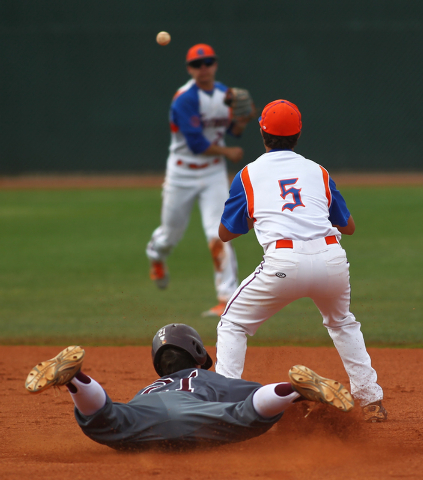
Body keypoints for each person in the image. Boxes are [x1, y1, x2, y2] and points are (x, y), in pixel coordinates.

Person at [215, 99, 387, 423]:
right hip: (331, 259)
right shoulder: (317, 171)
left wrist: (258, 215)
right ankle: (371, 399)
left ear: (262, 132)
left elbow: (225, 233)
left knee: (233, 324)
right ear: (299, 133)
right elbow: (348, 227)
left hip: (284, 262)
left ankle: (226, 406)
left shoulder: (248, 175)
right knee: (342, 323)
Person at [25, 323, 354, 451]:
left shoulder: (150, 389)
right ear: (198, 353)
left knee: (106, 417)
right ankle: (295, 388)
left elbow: (110, 417)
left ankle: (76, 380)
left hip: (142, 419)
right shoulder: (210, 379)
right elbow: (254, 398)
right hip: (201, 418)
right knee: (247, 412)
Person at [146, 43, 255, 317]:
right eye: (197, 64)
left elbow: (234, 129)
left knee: (218, 232)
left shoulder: (223, 94)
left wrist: (244, 118)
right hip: (182, 172)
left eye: (208, 62)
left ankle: (226, 297)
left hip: (213, 173)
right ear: (189, 69)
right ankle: (156, 254)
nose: (203, 68)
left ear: (215, 64)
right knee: (170, 235)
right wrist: (228, 150)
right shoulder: (184, 99)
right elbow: (195, 143)